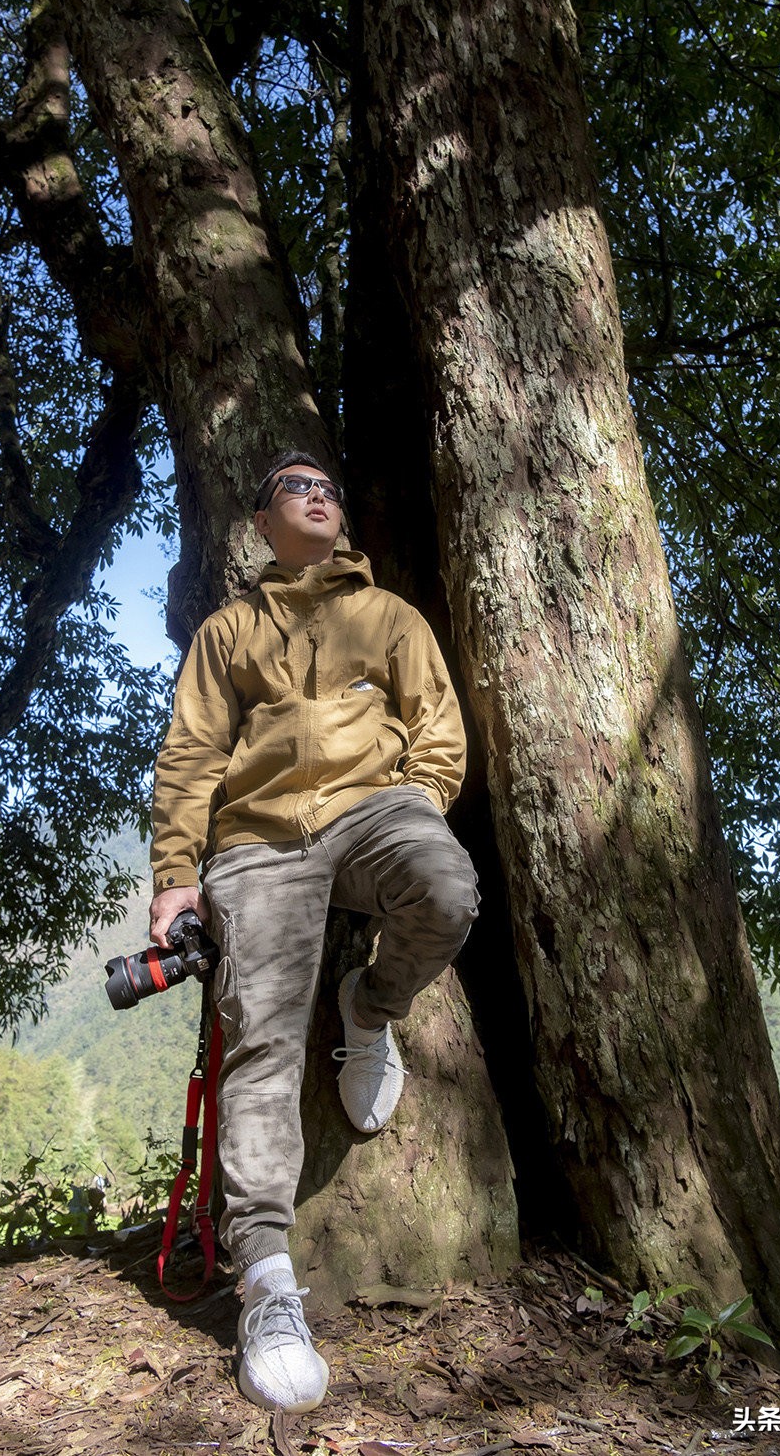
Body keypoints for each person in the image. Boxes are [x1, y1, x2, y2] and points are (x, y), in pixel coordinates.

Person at [148, 451, 479, 1414]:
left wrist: (414, 805)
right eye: (295, 487)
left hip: (376, 811)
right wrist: (176, 873)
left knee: (447, 889)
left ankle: (369, 1008)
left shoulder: (390, 617)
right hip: (256, 843)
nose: (319, 493)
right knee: (260, 1035)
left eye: (328, 485)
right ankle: (265, 1284)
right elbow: (192, 754)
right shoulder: (228, 630)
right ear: (260, 521)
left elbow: (439, 728)